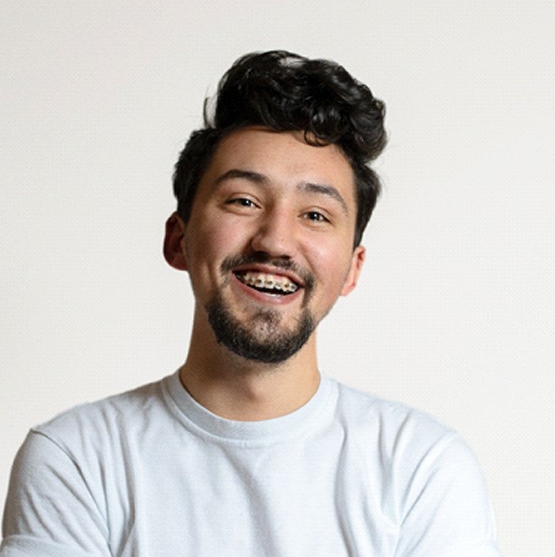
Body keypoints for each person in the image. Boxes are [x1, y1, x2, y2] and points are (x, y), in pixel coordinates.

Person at [1, 50, 501, 556]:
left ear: (352, 268)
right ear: (180, 240)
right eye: (244, 201)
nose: (276, 241)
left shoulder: (422, 468)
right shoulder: (78, 458)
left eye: (315, 214)